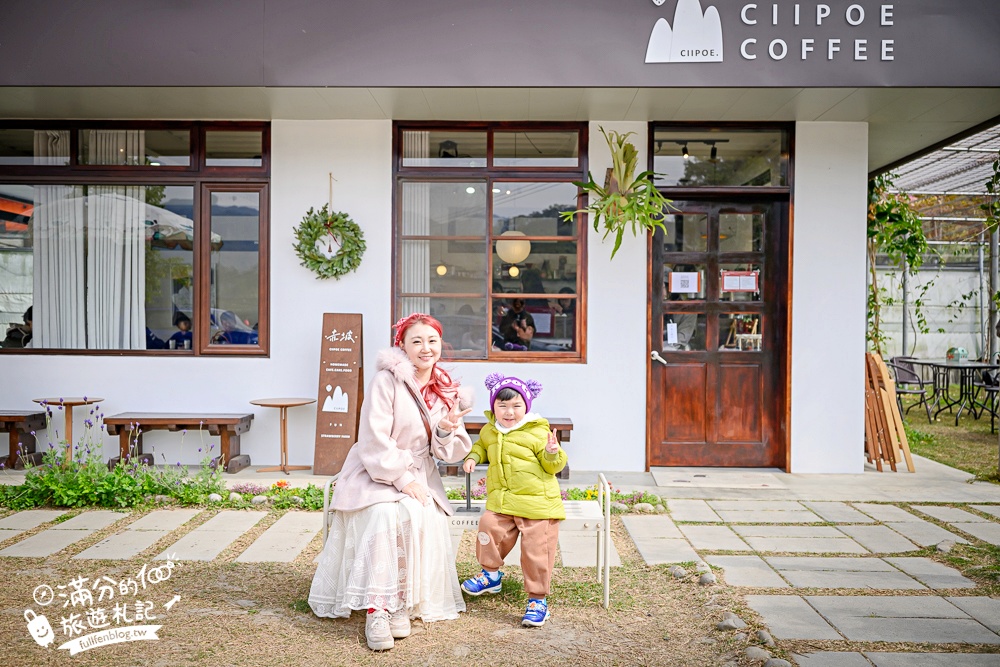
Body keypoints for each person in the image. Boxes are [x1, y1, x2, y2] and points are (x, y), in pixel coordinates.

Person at [309, 313, 474, 651]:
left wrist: (447, 427)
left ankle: (402, 601)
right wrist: (400, 478)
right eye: (416, 341)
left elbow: (448, 453)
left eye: (432, 341)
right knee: (384, 515)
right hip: (375, 470)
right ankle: (377, 609)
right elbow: (372, 438)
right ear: (402, 346)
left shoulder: (445, 388)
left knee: (420, 513)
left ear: (441, 344)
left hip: (420, 473)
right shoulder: (387, 381)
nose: (425, 348)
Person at [460, 373, 567, 628]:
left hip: (538, 505)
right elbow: (481, 447)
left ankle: (537, 600)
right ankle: (491, 575)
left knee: (536, 550)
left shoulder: (537, 431)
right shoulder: (489, 431)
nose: (509, 412)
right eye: (502, 405)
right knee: (488, 527)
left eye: (517, 406)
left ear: (526, 407)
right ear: (493, 406)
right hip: (502, 503)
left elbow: (554, 465)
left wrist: (553, 453)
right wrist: (473, 457)